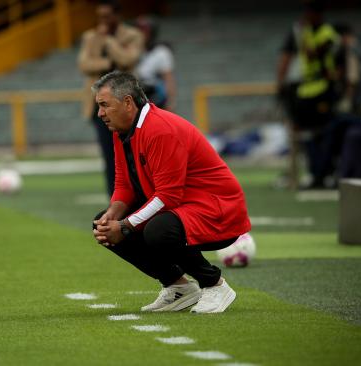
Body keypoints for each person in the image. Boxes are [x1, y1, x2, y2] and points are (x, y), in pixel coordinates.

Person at [91, 71, 251, 313]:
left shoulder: (160, 129)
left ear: (127, 102)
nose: (100, 113)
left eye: (104, 105)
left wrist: (125, 226)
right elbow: (124, 184)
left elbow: (168, 196)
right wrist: (113, 215)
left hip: (218, 210)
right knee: (102, 224)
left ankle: (215, 284)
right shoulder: (122, 130)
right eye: (99, 106)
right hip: (184, 208)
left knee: (158, 229)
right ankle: (180, 288)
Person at [78, 0, 144, 198]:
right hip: (99, 106)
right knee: (110, 157)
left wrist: (109, 42)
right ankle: (114, 200)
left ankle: (140, 197)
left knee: (134, 156)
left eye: (107, 16)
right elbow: (84, 64)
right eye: (100, 16)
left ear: (117, 16)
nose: (103, 21)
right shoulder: (90, 37)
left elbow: (128, 60)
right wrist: (108, 61)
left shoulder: (133, 35)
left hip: (126, 106)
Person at [277, 0, 340, 189]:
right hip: (306, 89)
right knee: (306, 134)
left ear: (318, 15)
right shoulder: (304, 32)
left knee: (324, 132)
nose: (305, 18)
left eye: (309, 14)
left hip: (323, 88)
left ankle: (325, 173)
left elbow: (313, 53)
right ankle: (312, 173)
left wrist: (301, 35)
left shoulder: (327, 33)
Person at [134, 16, 176, 111]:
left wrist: (171, 101)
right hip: (136, 96)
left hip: (155, 97)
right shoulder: (131, 51)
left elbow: (168, 78)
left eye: (144, 31)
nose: (140, 34)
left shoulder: (161, 52)